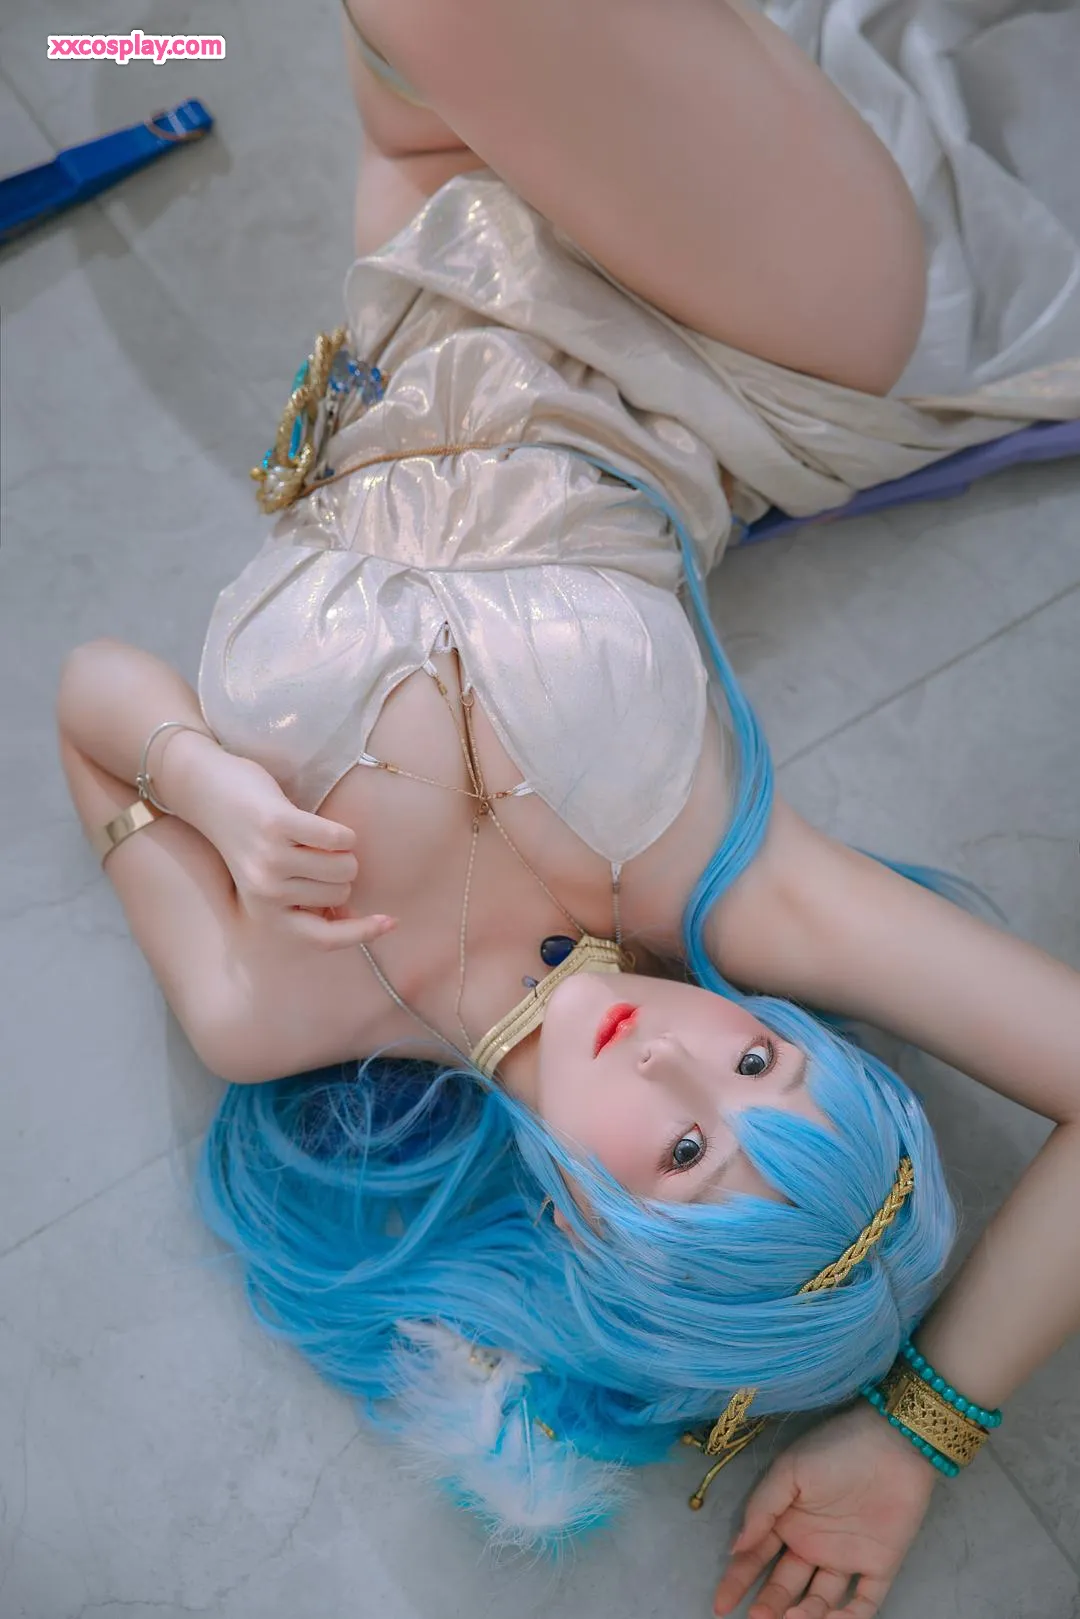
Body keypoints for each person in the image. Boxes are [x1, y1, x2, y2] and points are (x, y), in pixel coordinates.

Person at [56, 2, 1080, 1615]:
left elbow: (86, 702)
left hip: (433, 207)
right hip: (753, 328)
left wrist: (201, 784)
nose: (681, 1053)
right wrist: (919, 1431)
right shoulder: (731, 887)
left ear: (593, 1234)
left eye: (684, 1146)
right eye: (764, 1062)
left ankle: (116, 48)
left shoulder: (274, 1008)